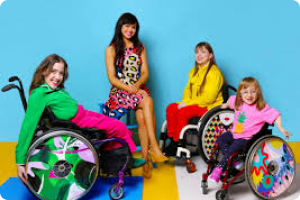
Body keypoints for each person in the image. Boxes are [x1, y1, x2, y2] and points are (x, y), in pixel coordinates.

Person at [16, 54, 146, 184]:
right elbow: (28, 127)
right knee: (118, 126)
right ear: (44, 71)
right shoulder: (39, 94)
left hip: (83, 113)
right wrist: (20, 162)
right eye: (53, 71)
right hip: (78, 122)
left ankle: (118, 159)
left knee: (114, 124)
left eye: (61, 73)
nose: (57, 77)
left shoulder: (52, 90)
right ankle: (125, 160)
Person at [103, 12, 167, 179]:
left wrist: (137, 85)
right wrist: (130, 89)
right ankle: (154, 147)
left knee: (142, 119)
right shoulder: (111, 49)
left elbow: (145, 72)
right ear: (120, 27)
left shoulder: (140, 47)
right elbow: (111, 78)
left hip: (137, 90)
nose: (130, 29)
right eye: (127, 26)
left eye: (133, 26)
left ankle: (146, 165)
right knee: (147, 100)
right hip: (119, 93)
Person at [208, 77, 292, 186]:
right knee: (220, 140)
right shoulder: (239, 102)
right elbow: (231, 100)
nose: (249, 95)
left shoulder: (260, 108)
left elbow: (276, 115)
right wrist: (225, 105)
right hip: (234, 133)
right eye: (245, 92)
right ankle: (235, 161)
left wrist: (281, 128)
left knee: (232, 150)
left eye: (253, 92)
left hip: (245, 139)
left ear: (258, 93)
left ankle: (218, 169)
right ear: (241, 94)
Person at [166, 42, 224, 142]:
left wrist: (187, 104)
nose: (199, 55)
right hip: (196, 103)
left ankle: (179, 142)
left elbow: (209, 98)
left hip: (209, 106)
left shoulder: (214, 73)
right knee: (171, 108)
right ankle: (172, 140)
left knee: (183, 112)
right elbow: (187, 90)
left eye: (203, 52)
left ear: (210, 55)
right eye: (197, 52)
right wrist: (185, 102)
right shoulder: (194, 71)